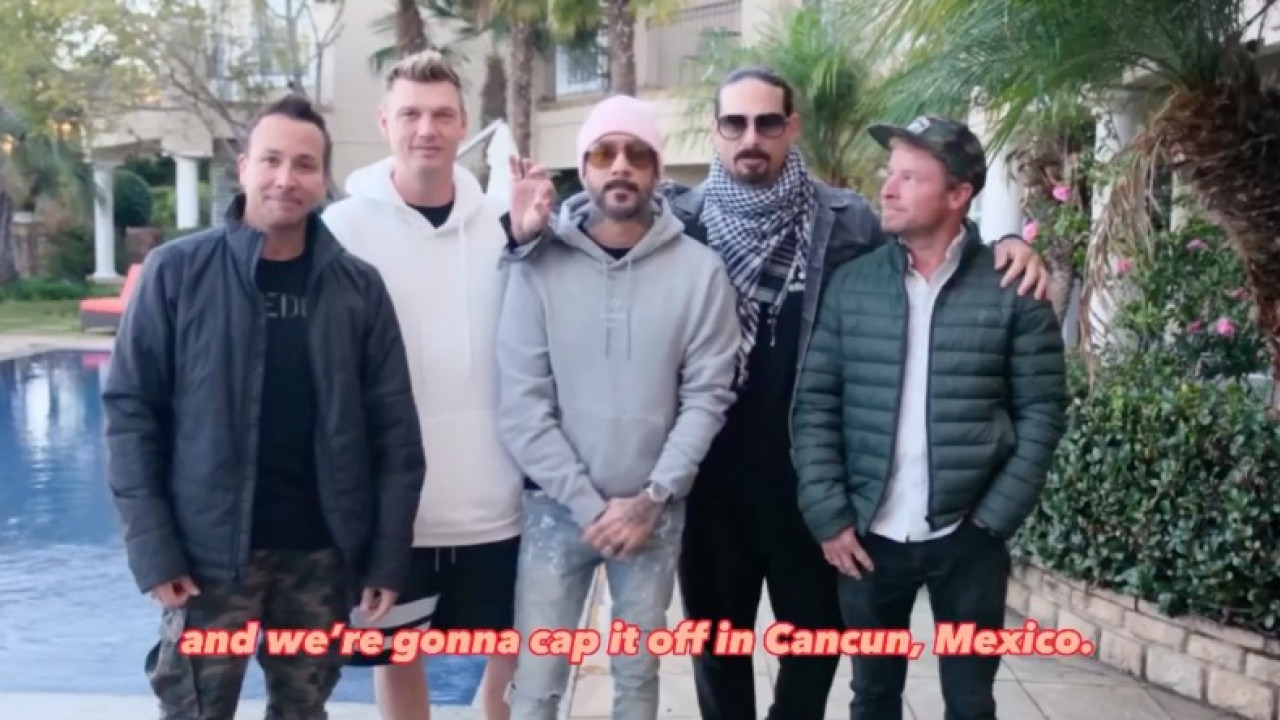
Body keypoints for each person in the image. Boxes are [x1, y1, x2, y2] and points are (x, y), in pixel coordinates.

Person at [659, 67, 1049, 719]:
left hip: (810, 489)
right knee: (717, 651)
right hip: (709, 486)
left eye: (767, 122)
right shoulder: (679, 223)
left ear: (791, 127)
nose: (751, 137)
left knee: (816, 650)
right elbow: (598, 224)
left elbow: (934, 239)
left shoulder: (846, 220)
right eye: (735, 122)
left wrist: (1007, 244)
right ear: (715, 129)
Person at [101, 95, 426, 720]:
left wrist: (385, 558)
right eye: (271, 160)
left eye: (304, 164)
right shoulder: (177, 274)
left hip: (319, 560)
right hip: (206, 561)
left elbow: (395, 436)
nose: (286, 178)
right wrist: (154, 548)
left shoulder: (358, 289)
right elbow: (131, 414)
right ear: (244, 167)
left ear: (322, 178)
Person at [791, 115, 1068, 719]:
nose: (887, 189)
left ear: (958, 194)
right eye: (889, 173)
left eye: (910, 177)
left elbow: (1043, 413)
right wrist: (831, 517)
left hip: (968, 540)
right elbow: (815, 406)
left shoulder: (1013, 288)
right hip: (869, 538)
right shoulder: (852, 285)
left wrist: (991, 522)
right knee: (873, 697)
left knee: (970, 702)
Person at [496, 94, 741, 719]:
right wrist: (588, 505)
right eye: (605, 154)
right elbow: (522, 404)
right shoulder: (536, 267)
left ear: (658, 170)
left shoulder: (700, 272)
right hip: (555, 509)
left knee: (637, 678)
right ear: (584, 169)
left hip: (653, 512)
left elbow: (709, 395)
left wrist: (651, 498)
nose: (621, 165)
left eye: (637, 153)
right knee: (537, 682)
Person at [320, 50, 538, 720]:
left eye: (443, 115)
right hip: (395, 513)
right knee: (397, 660)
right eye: (411, 114)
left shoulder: (501, 226)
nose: (427, 129)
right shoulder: (340, 232)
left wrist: (530, 236)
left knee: (511, 651)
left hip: (496, 502)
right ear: (384, 121)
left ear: (463, 123)